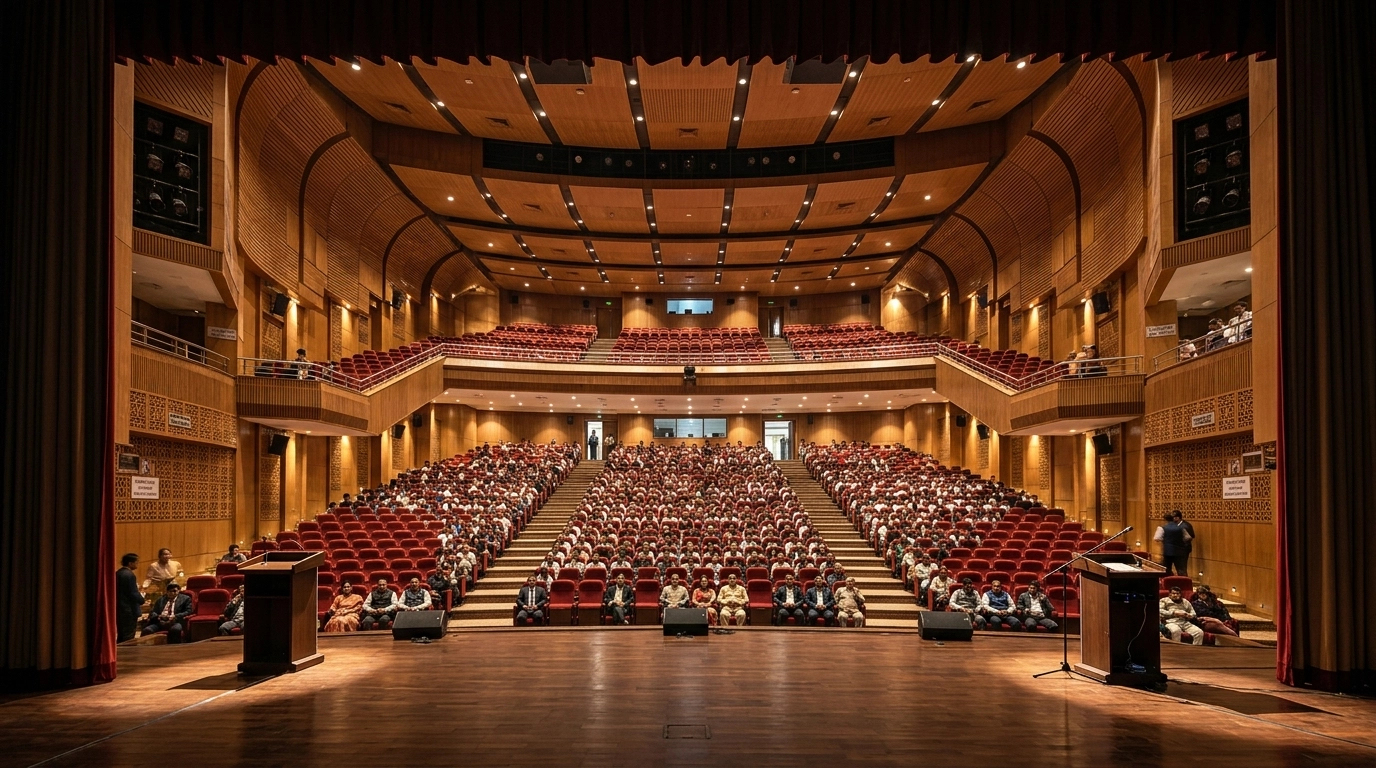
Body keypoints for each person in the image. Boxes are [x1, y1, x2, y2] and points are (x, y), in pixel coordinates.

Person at [116, 553, 144, 643]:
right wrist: (142, 600)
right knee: (129, 635)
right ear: (130, 563)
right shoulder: (129, 575)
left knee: (121, 633)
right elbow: (133, 593)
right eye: (136, 562)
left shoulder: (118, 573)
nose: (137, 564)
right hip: (128, 609)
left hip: (119, 607)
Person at [1158, 510, 1196, 576]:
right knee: (1173, 568)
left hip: (1183, 550)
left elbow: (1191, 536)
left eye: (1173, 518)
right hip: (1175, 550)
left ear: (1177, 518)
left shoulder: (1185, 525)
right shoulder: (1177, 526)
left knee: (1181, 568)